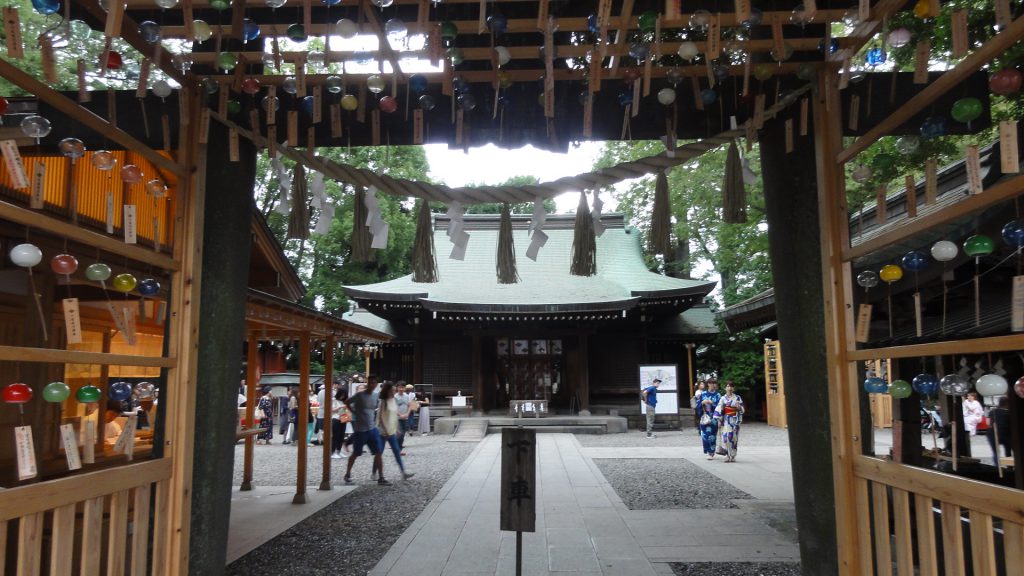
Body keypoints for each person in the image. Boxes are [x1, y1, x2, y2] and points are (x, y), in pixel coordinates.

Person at [343, 375, 389, 485]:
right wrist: (354, 412)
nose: (372, 385)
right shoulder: (359, 395)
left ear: (376, 384)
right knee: (356, 453)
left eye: (374, 383)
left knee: (378, 452)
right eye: (370, 382)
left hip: (372, 428)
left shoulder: (375, 395)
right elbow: (347, 402)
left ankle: (381, 477)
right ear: (368, 383)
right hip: (360, 430)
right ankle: (347, 473)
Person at [376, 382, 415, 480]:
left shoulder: (394, 400)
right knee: (379, 452)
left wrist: (396, 427)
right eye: (393, 390)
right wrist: (386, 430)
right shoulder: (383, 402)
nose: (395, 391)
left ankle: (403, 472)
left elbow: (394, 414)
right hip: (382, 430)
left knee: (397, 451)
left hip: (392, 429)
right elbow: (380, 418)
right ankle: (375, 472)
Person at [714, 381, 745, 462]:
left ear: (733, 388)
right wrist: (719, 420)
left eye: (731, 386)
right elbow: (719, 409)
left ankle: (733, 455)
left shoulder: (737, 397)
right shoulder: (723, 398)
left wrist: (739, 407)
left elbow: (742, 410)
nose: (729, 388)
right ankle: (727, 454)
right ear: (725, 388)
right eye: (728, 386)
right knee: (727, 437)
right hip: (726, 419)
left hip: (735, 420)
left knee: (734, 438)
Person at [697, 379, 722, 459]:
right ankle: (708, 451)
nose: (713, 385)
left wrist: (712, 403)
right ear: (708, 384)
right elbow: (698, 406)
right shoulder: (703, 394)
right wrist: (702, 403)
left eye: (714, 383)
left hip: (714, 419)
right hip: (704, 417)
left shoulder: (718, 395)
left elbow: (721, 407)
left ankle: (711, 452)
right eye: (711, 383)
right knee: (704, 435)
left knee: (712, 436)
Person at [986, 396, 1012, 465]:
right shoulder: (1008, 413)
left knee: (995, 452)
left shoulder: (992, 412)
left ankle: (997, 467)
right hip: (1006, 434)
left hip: (992, 433)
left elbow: (988, 423)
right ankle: (1009, 466)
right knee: (1008, 451)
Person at [331, 387, 350, 459]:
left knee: (341, 436)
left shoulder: (343, 401)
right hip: (335, 419)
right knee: (335, 436)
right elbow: (332, 410)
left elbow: (345, 411)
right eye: (342, 395)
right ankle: (332, 452)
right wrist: (340, 407)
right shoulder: (334, 400)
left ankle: (338, 451)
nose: (343, 396)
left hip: (343, 418)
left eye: (344, 395)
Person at [395, 381, 411, 450]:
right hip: (397, 418)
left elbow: (410, 405)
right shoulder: (395, 396)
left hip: (405, 417)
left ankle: (399, 447)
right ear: (397, 388)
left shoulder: (407, 396)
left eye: (402, 387)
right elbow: (394, 408)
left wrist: (407, 414)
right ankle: (398, 448)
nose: (401, 389)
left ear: (404, 388)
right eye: (399, 387)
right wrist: (400, 415)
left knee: (403, 433)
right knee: (399, 433)